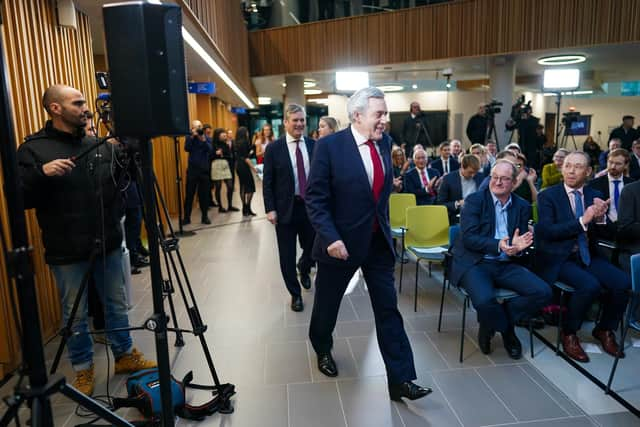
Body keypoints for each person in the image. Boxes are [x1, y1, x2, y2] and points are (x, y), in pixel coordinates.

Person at [16, 85, 156, 395]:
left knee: (116, 305)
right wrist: (42, 173)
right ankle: (83, 369)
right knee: (75, 315)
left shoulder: (99, 145)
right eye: (77, 103)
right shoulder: (33, 150)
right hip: (66, 250)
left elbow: (120, 187)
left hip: (106, 243)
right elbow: (19, 197)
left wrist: (129, 156)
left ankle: (124, 355)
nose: (85, 108)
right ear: (55, 108)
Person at [306, 87, 431, 402]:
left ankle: (400, 379)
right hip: (340, 244)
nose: (385, 120)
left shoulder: (385, 142)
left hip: (376, 244)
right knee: (327, 306)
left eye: (385, 113)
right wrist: (331, 237)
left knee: (388, 309)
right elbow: (316, 199)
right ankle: (322, 347)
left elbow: (377, 193)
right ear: (357, 115)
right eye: (380, 114)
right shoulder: (329, 147)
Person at [450, 160, 551, 360]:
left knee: (543, 292)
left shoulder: (522, 206)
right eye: (494, 177)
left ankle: (490, 322)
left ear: (514, 183)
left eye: (504, 179)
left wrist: (518, 249)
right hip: (476, 262)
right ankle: (507, 332)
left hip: (506, 262)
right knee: (485, 300)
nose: (497, 182)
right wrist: (499, 245)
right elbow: (469, 238)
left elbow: (519, 240)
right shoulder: (474, 201)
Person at [536, 152, 631, 363]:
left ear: (588, 172)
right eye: (567, 165)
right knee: (589, 286)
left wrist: (602, 218)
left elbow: (608, 232)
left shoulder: (593, 194)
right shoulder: (547, 196)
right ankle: (569, 333)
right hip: (560, 257)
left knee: (623, 282)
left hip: (588, 255)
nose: (571, 170)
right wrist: (582, 220)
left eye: (578, 167)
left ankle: (604, 329)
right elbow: (548, 232)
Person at [263, 104, 315, 311]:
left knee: (313, 247)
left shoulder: (314, 145)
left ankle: (304, 266)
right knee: (286, 254)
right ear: (286, 123)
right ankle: (295, 294)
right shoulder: (274, 149)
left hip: (310, 208)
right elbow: (267, 182)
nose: (300, 124)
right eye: (295, 120)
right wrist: (270, 209)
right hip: (285, 209)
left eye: (302, 120)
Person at [587, 148, 633, 241]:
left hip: (628, 230)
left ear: (626, 165)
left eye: (618, 164)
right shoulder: (594, 184)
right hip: (602, 231)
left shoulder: (632, 185)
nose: (613, 166)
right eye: (610, 162)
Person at [437, 154, 483, 224]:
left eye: (475, 172)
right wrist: (458, 203)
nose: (473, 175)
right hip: (457, 217)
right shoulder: (448, 179)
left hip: (478, 215)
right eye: (470, 172)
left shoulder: (480, 176)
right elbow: (440, 203)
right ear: (462, 167)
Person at [183, 120, 212, 224]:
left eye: (200, 126)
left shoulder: (207, 138)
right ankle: (186, 218)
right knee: (189, 195)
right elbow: (186, 148)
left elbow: (210, 150)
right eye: (196, 127)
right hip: (192, 171)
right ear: (192, 128)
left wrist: (203, 139)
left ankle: (205, 217)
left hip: (204, 171)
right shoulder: (189, 138)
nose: (199, 128)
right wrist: (192, 136)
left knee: (204, 195)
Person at [210, 128, 237, 213]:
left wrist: (223, 155)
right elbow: (209, 156)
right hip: (216, 165)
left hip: (225, 165)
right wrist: (215, 154)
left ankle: (230, 205)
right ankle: (220, 207)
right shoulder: (212, 144)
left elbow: (229, 155)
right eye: (222, 134)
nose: (224, 135)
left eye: (224, 134)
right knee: (218, 187)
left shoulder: (225, 144)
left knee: (230, 186)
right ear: (218, 135)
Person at [234, 127, 258, 216]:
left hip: (238, 166)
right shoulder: (244, 143)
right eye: (247, 132)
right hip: (244, 166)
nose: (248, 133)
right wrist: (253, 168)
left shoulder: (236, 143)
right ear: (244, 133)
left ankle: (244, 208)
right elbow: (246, 158)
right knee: (251, 187)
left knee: (243, 186)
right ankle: (248, 208)